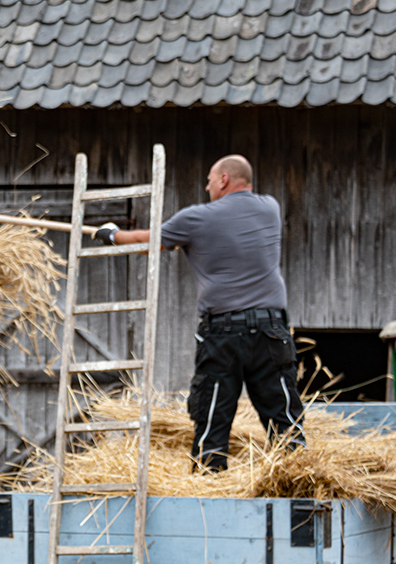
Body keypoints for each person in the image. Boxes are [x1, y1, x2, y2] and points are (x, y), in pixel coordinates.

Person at [94, 154, 305, 471]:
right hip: (270, 331)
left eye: (209, 180)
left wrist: (110, 234)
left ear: (223, 180)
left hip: (224, 334)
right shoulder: (270, 209)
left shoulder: (197, 219)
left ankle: (210, 480)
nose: (206, 187)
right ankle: (303, 480)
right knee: (285, 419)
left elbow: (146, 241)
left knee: (212, 420)